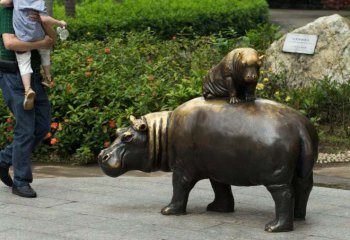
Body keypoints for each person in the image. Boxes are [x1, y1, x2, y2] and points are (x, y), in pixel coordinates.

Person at [0, 3, 56, 197]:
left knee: (42, 125)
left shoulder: (35, 10)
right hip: (12, 75)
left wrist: (44, 22)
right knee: (25, 128)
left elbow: (52, 39)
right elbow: (10, 43)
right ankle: (21, 181)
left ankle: (4, 158)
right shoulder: (6, 11)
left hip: (34, 76)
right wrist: (40, 44)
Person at [0, 0, 66, 110]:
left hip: (27, 50)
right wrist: (42, 42)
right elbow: (10, 44)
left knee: (24, 62)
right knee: (26, 124)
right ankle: (48, 77)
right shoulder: (36, 4)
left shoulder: (20, 4)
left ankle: (28, 89)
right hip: (13, 73)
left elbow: (53, 38)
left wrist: (41, 21)